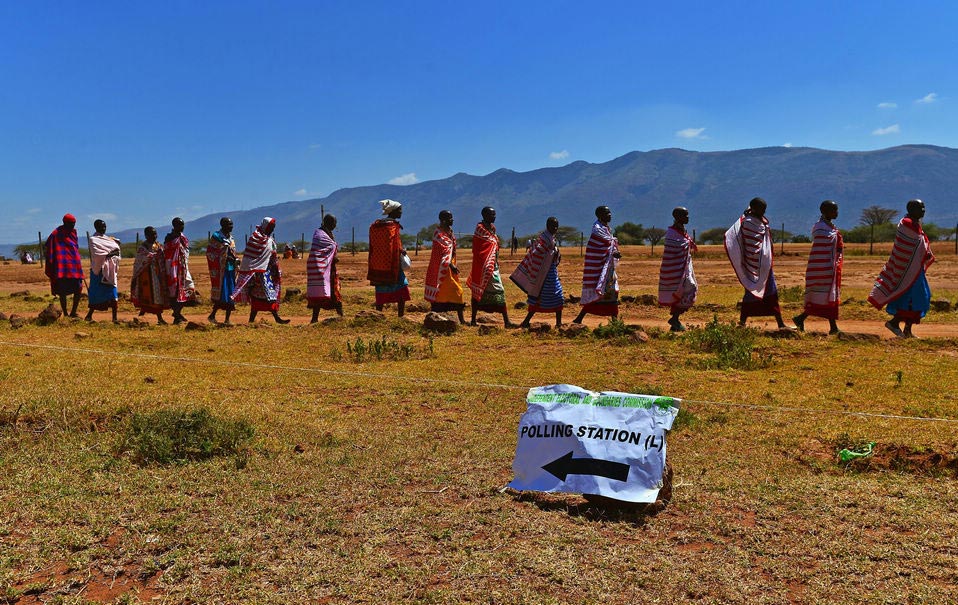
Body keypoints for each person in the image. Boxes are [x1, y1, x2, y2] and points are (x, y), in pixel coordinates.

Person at [868, 199, 935, 338]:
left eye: (924, 207)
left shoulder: (916, 224)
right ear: (911, 209)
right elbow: (911, 246)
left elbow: (919, 244)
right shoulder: (907, 224)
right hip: (906, 270)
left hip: (915, 270)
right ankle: (894, 322)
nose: (923, 210)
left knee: (920, 297)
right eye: (919, 207)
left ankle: (907, 330)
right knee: (910, 299)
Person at [725, 197, 792, 329]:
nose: (763, 211)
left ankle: (780, 323)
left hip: (765, 265)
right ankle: (742, 323)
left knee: (772, 293)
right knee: (750, 292)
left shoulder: (761, 222)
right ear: (754, 208)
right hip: (753, 264)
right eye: (761, 209)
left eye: (765, 209)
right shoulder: (748, 222)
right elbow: (748, 243)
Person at [793, 200, 843, 334]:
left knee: (827, 297)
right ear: (825, 211)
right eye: (834, 210)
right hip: (821, 267)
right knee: (825, 297)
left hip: (828, 268)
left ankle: (801, 319)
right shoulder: (820, 227)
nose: (837, 212)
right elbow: (823, 246)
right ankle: (832, 327)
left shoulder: (830, 227)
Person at [233, 217, 290, 324]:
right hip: (257, 274)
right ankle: (252, 320)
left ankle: (276, 318)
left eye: (273, 227)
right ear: (266, 226)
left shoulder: (270, 240)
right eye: (271, 227)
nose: (272, 229)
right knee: (257, 297)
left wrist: (276, 268)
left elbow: (273, 256)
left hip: (267, 273)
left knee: (270, 295)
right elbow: (250, 256)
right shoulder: (255, 238)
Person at [511, 216, 564, 327]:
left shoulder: (551, 238)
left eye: (556, 226)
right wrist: (552, 253)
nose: (555, 228)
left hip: (551, 273)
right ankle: (526, 321)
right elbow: (536, 253)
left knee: (558, 296)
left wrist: (555, 252)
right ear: (547, 226)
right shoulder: (543, 239)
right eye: (553, 226)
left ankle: (558, 323)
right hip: (542, 275)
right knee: (538, 298)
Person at [467, 207, 515, 327]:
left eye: (495, 214)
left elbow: (493, 245)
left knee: (498, 290)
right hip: (481, 266)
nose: (494, 217)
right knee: (478, 291)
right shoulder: (480, 229)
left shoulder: (492, 229)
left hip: (493, 266)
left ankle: (506, 321)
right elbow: (479, 248)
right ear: (484, 215)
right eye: (492, 214)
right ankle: (473, 320)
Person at [573, 206, 621, 323]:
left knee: (612, 292)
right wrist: (613, 251)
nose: (609, 214)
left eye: (609, 212)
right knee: (603, 292)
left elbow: (609, 245)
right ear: (600, 216)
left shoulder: (605, 228)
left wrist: (614, 252)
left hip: (608, 267)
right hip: (600, 268)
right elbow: (600, 247)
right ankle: (614, 321)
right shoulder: (597, 229)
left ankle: (614, 320)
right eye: (606, 213)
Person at [367, 199, 410, 316]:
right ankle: (400, 316)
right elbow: (395, 245)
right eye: (400, 210)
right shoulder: (393, 227)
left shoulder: (375, 226)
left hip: (378, 264)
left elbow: (375, 245)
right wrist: (402, 251)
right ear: (394, 211)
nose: (401, 212)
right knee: (402, 289)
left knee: (381, 291)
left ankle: (377, 315)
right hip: (392, 264)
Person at [658, 207, 698, 332]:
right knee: (688, 288)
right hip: (676, 268)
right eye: (685, 215)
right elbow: (673, 250)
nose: (687, 218)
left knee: (688, 289)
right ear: (678, 217)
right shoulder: (672, 233)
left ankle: (675, 319)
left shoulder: (681, 231)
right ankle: (675, 319)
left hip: (684, 266)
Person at [424, 210, 466, 323]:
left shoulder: (450, 232)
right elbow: (443, 252)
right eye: (450, 218)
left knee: (454, 290)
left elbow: (452, 250)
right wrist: (451, 265)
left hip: (450, 266)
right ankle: (435, 317)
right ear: (443, 220)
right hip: (441, 268)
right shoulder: (438, 234)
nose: (452, 220)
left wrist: (453, 263)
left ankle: (461, 320)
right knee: (452, 290)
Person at [44, 213, 84, 318]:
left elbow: (75, 248)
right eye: (71, 223)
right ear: (65, 223)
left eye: (74, 223)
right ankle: (65, 313)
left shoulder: (74, 233)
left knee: (78, 288)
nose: (73, 226)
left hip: (74, 265)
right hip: (61, 267)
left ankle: (73, 312)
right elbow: (49, 247)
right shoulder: (56, 233)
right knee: (62, 291)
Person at [307, 214, 343, 322]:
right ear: (328, 223)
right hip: (321, 267)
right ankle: (315, 319)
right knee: (321, 291)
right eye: (334, 223)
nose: (335, 226)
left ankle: (341, 317)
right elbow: (319, 252)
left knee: (334, 290)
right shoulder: (319, 235)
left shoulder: (327, 233)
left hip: (330, 268)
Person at [131, 226, 170, 324]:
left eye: (155, 234)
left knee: (157, 295)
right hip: (146, 275)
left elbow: (163, 257)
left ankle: (158, 318)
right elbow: (139, 262)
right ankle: (150, 318)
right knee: (147, 295)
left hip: (157, 274)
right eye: (151, 234)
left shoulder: (158, 246)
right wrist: (151, 257)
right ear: (146, 235)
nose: (154, 236)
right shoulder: (143, 247)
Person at [85, 219, 121, 323]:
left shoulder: (109, 239)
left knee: (113, 294)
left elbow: (117, 250)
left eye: (104, 227)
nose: (103, 229)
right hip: (98, 271)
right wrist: (110, 254)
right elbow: (97, 254)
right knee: (97, 294)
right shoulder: (93, 239)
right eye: (101, 227)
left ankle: (114, 318)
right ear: (96, 227)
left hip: (110, 269)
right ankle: (89, 315)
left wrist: (113, 252)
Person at [164, 217, 195, 325]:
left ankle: (177, 313)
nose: (182, 227)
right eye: (179, 225)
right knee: (175, 292)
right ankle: (177, 316)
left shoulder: (183, 238)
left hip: (184, 268)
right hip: (173, 269)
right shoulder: (169, 237)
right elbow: (167, 253)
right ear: (174, 226)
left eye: (182, 225)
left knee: (190, 288)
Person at [207, 217, 238, 324]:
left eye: (232, 224)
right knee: (222, 294)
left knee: (231, 294)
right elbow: (211, 253)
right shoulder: (216, 237)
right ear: (223, 225)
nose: (231, 226)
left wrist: (235, 259)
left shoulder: (231, 238)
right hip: (221, 271)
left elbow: (233, 252)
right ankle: (212, 315)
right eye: (229, 224)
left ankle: (227, 319)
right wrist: (224, 257)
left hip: (231, 269)